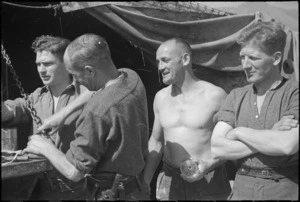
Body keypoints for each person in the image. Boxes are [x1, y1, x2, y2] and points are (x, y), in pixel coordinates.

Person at [23, 33, 150, 200]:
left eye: (76, 75)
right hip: (136, 190)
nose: (76, 81)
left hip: (111, 194)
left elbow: (75, 171)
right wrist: (62, 115)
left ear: (90, 70)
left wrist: (44, 146)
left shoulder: (96, 111)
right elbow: (95, 92)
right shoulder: (132, 78)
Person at [211, 21, 299, 200]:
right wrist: (271, 134)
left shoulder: (294, 93)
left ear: (275, 58)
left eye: (253, 58)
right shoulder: (236, 96)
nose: (245, 65)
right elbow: (218, 148)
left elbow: (286, 145)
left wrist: (238, 131)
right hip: (242, 189)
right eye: (242, 57)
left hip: (283, 190)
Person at [142, 38, 231, 200]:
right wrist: (145, 181)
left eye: (165, 60)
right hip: (170, 180)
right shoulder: (160, 97)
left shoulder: (215, 96)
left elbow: (231, 143)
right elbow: (156, 142)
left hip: (208, 180)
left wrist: (209, 165)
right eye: (158, 62)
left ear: (185, 59)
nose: (160, 67)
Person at [1, 35, 89, 200]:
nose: (41, 70)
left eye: (48, 64)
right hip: (43, 191)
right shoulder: (37, 97)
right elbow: (12, 108)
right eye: (38, 64)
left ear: (67, 63)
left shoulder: (84, 94)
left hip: (78, 192)